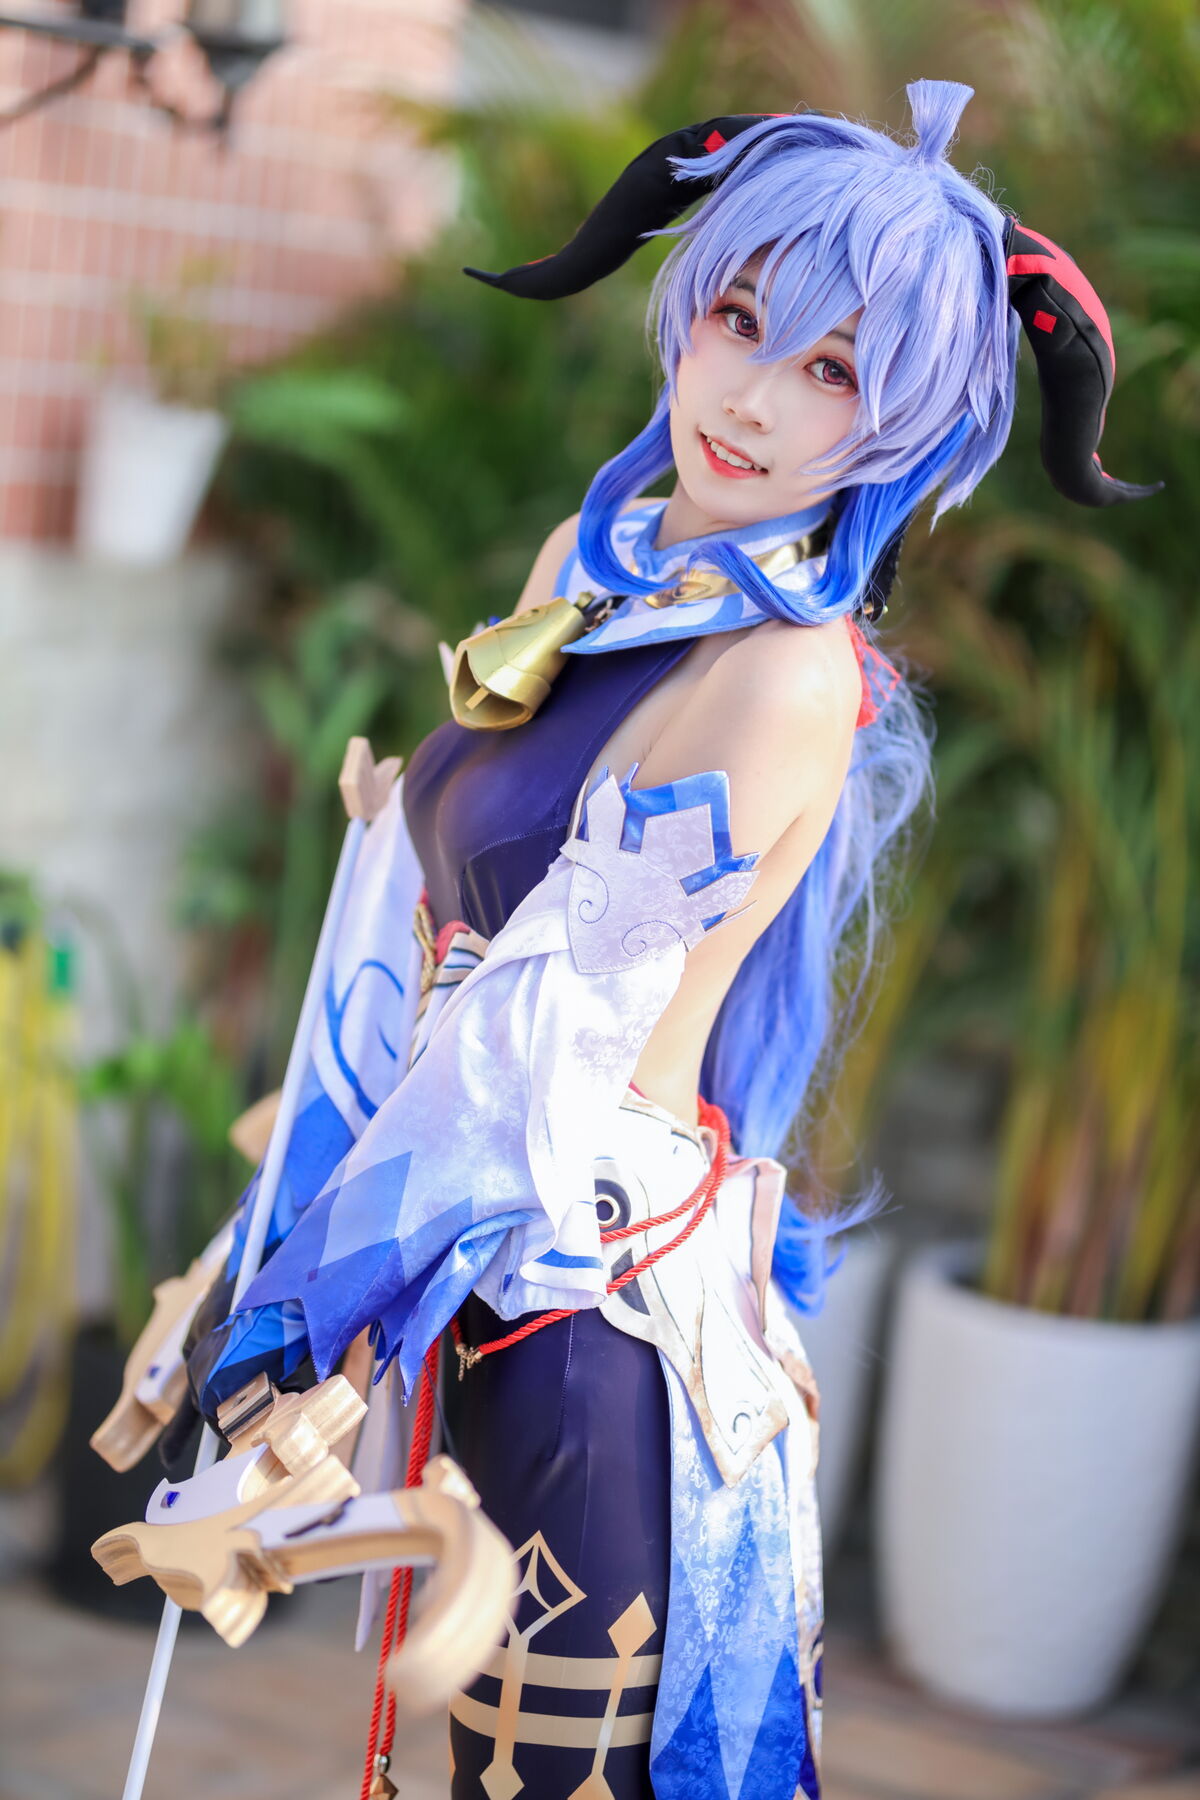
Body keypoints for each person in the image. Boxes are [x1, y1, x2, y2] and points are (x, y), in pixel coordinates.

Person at [167, 80, 1155, 1800]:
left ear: (905, 430)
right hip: (460, 1260)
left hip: (592, 1330)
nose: (754, 400)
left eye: (836, 372)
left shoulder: (785, 680)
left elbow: (546, 1035)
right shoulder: (595, 560)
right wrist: (277, 1245)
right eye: (741, 320)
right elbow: (433, 914)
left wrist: (309, 1300)